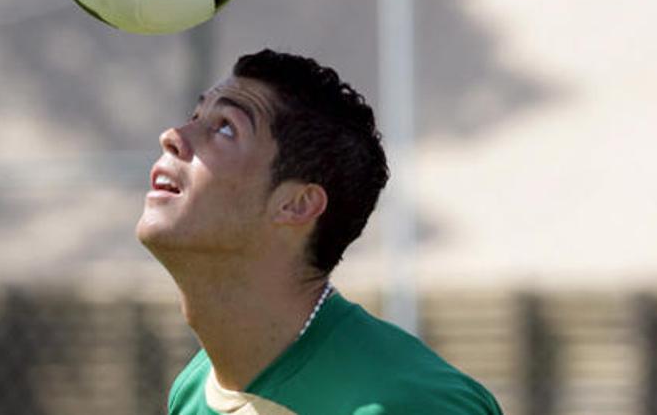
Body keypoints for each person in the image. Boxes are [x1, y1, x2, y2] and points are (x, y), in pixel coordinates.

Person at [137, 49, 502, 415]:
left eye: (225, 127)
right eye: (195, 117)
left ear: (297, 204)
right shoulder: (193, 391)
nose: (172, 136)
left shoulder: (412, 404)